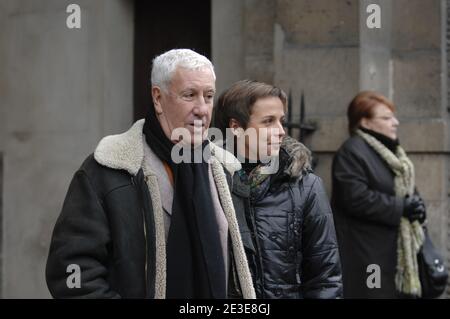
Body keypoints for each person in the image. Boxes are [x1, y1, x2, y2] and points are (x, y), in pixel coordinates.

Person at [46, 49, 256, 299]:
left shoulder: (227, 171)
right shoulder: (108, 168)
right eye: (189, 95)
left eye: (208, 96)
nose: (202, 109)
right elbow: (72, 271)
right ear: (158, 98)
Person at [214, 79, 343, 299]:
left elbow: (325, 279)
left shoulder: (306, 186)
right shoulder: (210, 182)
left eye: (281, 121)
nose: (281, 131)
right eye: (268, 121)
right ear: (236, 127)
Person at [331, 91, 427, 298]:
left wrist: (416, 206)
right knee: (371, 292)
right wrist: (401, 207)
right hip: (367, 254)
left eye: (393, 116)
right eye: (386, 118)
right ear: (365, 122)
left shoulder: (390, 154)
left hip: (391, 251)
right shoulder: (352, 152)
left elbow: (403, 190)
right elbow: (354, 198)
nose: (395, 122)